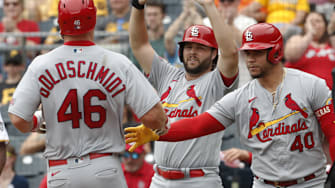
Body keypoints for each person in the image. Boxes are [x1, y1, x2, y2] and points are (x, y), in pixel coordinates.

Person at [125, 23, 335, 187]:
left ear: (276, 53)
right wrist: (160, 133)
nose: (250, 59)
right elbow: (199, 125)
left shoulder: (311, 85)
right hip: (264, 184)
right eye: (248, 53)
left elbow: (332, 133)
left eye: (257, 52)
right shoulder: (241, 96)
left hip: (310, 182)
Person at [7, 0, 168, 188]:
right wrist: (147, 130)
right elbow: (155, 117)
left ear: (60, 26)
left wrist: (38, 121)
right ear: (93, 23)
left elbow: (18, 120)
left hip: (61, 172)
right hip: (106, 169)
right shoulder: (117, 62)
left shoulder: (41, 64)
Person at [129, 0, 239, 187]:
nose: (192, 52)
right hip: (160, 179)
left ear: (213, 54)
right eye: (188, 47)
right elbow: (139, 45)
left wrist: (209, 6)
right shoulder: (167, 74)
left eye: (200, 48)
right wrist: (138, 6)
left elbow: (230, 53)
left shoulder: (216, 82)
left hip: (199, 179)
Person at [285, 12, 335, 90]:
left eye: (318, 21)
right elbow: (291, 56)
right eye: (311, 21)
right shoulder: (297, 39)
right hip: (303, 94)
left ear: (325, 26)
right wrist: (310, 33)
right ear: (305, 25)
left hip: (330, 95)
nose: (314, 24)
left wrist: (331, 31)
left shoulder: (331, 42)